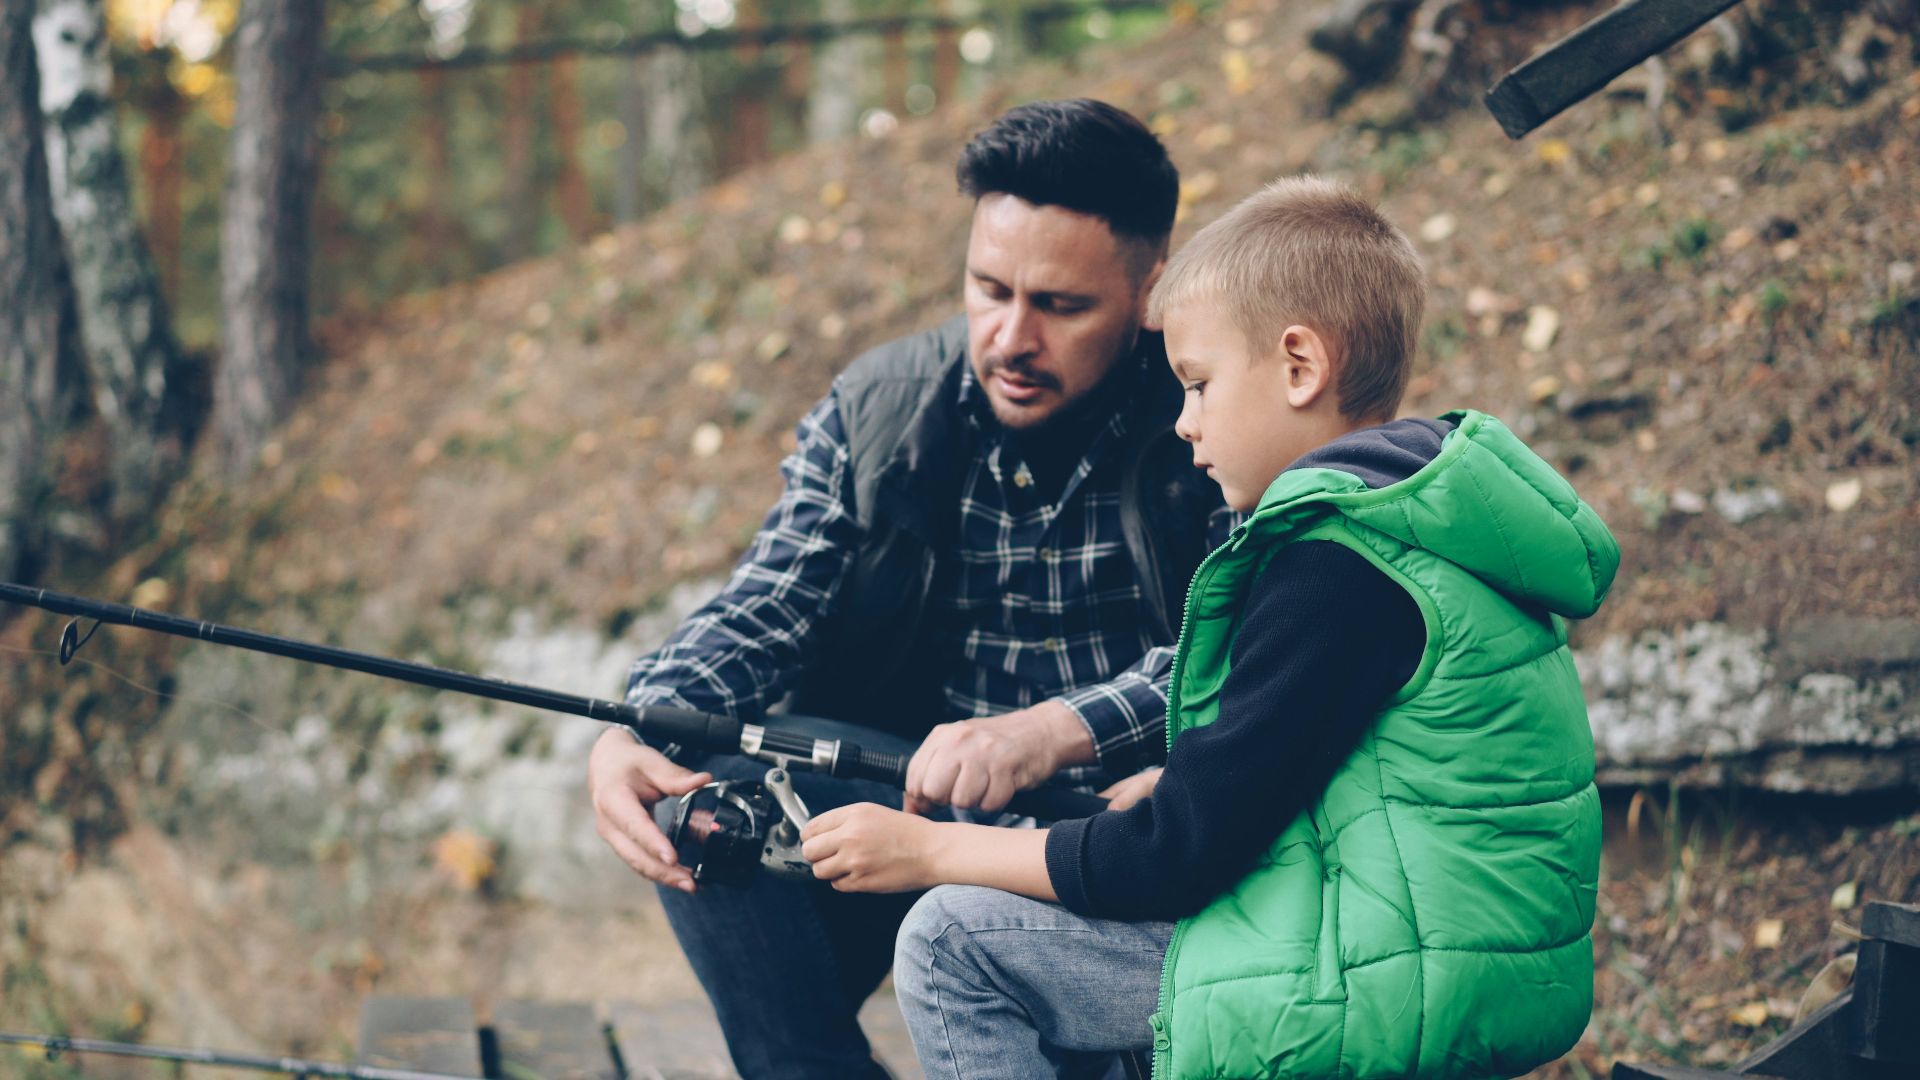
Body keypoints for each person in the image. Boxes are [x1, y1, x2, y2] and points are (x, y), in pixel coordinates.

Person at [801, 176, 1621, 1079]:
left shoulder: (1333, 570)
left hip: (1369, 974)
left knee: (953, 938)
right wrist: (1176, 777)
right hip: (1439, 955)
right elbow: (1367, 772)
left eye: (1197, 385)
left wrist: (934, 849)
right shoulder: (1418, 525)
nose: (1185, 425)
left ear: (1300, 367)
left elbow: (1172, 861)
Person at [587, 99, 1230, 1080]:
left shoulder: (1217, 410)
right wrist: (642, 725)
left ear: (1151, 288)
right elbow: (768, 604)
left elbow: (1255, 639)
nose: (1011, 336)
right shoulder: (879, 408)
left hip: (1134, 830)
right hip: (910, 806)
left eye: (1060, 306)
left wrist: (1058, 729)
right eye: (988, 288)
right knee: (702, 807)